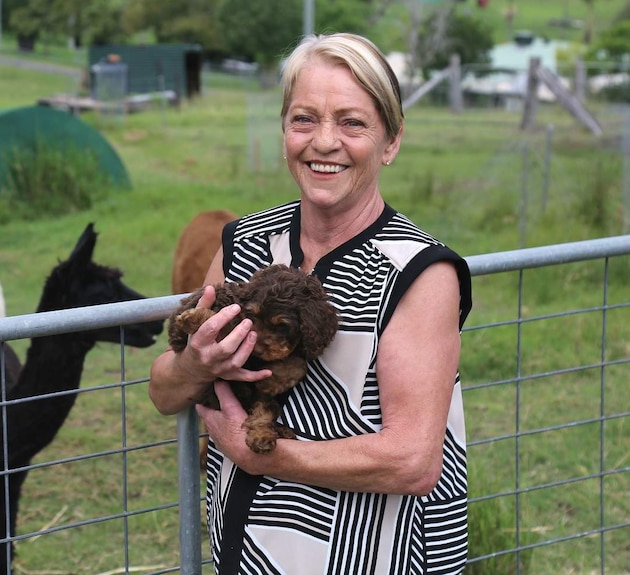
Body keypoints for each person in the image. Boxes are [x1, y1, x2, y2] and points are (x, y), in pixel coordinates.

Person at [149, 32, 472, 574]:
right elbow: (163, 392)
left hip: (368, 556)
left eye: (352, 122)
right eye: (304, 119)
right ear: (283, 134)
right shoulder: (244, 243)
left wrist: (261, 454)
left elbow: (413, 462)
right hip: (249, 552)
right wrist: (193, 363)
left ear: (390, 142)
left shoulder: (417, 273)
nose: (325, 142)